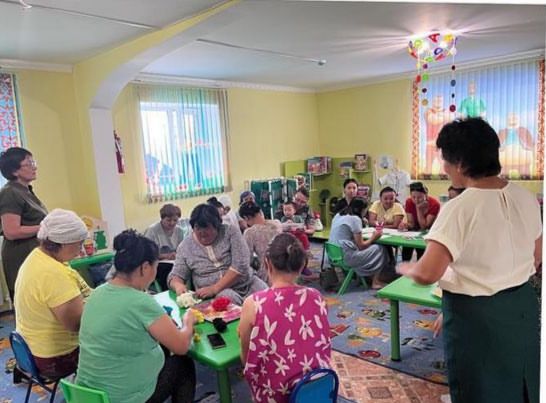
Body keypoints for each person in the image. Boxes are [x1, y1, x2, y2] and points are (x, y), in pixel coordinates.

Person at [398, 118, 541, 403]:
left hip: (476, 317)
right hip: (522, 306)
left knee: (480, 388)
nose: (444, 168)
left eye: (445, 160)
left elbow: (428, 273)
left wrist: (406, 267)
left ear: (461, 163)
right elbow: (537, 256)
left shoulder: (459, 208)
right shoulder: (526, 197)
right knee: (522, 379)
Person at [77, 230, 196, 403]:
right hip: (123, 399)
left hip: (86, 396)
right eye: (155, 267)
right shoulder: (141, 302)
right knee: (182, 363)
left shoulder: (97, 293)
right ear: (145, 267)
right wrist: (188, 321)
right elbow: (182, 346)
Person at [238, 233, 332, 402]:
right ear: (302, 265)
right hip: (319, 384)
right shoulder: (316, 296)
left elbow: (246, 355)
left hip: (278, 394)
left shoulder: (253, 303)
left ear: (267, 263)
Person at [14, 209, 90, 380]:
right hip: (54, 359)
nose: (81, 250)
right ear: (63, 242)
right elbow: (77, 325)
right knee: (118, 342)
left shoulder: (36, 257)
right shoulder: (53, 274)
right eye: (79, 244)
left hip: (29, 351)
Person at [168, 204, 267, 305]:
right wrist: (178, 285)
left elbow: (240, 265)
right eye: (198, 228)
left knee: (266, 293)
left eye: (206, 227)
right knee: (228, 300)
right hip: (218, 294)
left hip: (248, 283)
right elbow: (176, 275)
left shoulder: (230, 232)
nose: (202, 232)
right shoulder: (185, 247)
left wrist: (215, 288)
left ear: (217, 226)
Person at [0, 147, 48, 300]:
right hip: (22, 256)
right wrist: (45, 227)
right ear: (14, 171)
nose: (35, 167)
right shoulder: (10, 192)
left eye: (34, 162)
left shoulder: (25, 190)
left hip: (35, 253)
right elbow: (11, 231)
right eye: (29, 163)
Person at [329, 198, 390, 289]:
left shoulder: (338, 215)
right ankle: (375, 281)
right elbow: (361, 246)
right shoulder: (355, 219)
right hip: (347, 257)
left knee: (370, 248)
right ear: (362, 209)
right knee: (380, 249)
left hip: (334, 255)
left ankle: (369, 277)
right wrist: (374, 237)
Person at [144, 203, 190, 291]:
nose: (172, 223)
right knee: (167, 270)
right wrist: (165, 256)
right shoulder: (152, 231)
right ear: (162, 219)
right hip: (157, 263)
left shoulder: (179, 231)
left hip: (174, 261)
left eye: (175, 220)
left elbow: (181, 249)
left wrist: (176, 254)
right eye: (168, 220)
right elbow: (147, 254)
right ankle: (169, 291)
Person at [238, 201, 282, 283]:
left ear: (246, 218)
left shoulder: (250, 232)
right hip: (285, 268)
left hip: (267, 273)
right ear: (260, 211)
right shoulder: (277, 223)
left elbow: (247, 259)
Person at [399, 182, 440, 261]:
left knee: (421, 252)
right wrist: (405, 225)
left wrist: (418, 209)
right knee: (407, 247)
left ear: (426, 195)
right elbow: (411, 223)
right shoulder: (409, 201)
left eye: (420, 197)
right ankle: (404, 266)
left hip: (428, 233)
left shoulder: (434, 204)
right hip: (414, 232)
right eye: (413, 197)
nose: (416, 200)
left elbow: (424, 226)